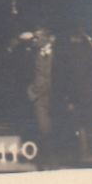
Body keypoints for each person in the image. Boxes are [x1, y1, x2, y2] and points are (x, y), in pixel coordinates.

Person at [27, 26, 58, 167]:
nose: (34, 40)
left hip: (55, 96)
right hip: (39, 98)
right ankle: (45, 160)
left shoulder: (59, 53)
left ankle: (55, 160)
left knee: (56, 129)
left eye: (37, 37)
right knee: (43, 129)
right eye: (33, 37)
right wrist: (30, 91)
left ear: (47, 38)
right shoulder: (31, 54)